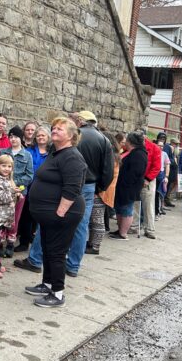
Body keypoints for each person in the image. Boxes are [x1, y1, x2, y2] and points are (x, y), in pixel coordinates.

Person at [24, 117, 87, 308]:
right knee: (47, 248)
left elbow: (73, 188)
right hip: (49, 215)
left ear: (71, 135)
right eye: (54, 128)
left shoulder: (72, 157)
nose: (55, 130)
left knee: (56, 252)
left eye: (59, 129)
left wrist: (60, 213)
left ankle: (58, 294)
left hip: (63, 214)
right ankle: (48, 284)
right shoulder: (56, 152)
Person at [65, 111, 114, 276]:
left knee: (59, 220)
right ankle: (72, 266)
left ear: (81, 121)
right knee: (81, 225)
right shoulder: (104, 140)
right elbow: (108, 171)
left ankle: (51, 258)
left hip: (69, 183)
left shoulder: (75, 135)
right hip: (89, 186)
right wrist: (100, 188)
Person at [14, 125, 50, 270]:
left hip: (44, 190)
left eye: (43, 135)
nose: (40, 137)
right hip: (28, 187)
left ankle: (34, 242)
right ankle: (24, 241)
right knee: (26, 216)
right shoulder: (29, 151)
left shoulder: (51, 153)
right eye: (38, 135)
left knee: (39, 218)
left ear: (48, 138)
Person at [0, 126, 33, 257]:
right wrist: (6, 184)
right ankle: (0, 242)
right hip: (3, 191)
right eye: (11, 137)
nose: (13, 139)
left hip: (19, 193)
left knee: (14, 219)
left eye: (16, 137)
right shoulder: (3, 153)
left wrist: (15, 185)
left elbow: (29, 175)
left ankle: (11, 243)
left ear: (21, 138)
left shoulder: (27, 155)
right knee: (1, 217)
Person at [109, 132, 148, 240]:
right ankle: (120, 230)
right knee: (120, 208)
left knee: (126, 209)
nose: (124, 141)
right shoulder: (132, 152)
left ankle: (123, 233)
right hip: (123, 186)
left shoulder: (139, 154)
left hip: (129, 187)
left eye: (126, 139)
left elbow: (135, 172)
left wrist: (125, 183)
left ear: (130, 142)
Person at [87, 132, 120, 254]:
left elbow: (106, 175)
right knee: (95, 220)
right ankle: (91, 243)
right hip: (104, 191)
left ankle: (95, 246)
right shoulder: (114, 155)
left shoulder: (111, 156)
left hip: (102, 192)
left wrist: (99, 189)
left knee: (97, 220)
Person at [130, 131, 161, 238]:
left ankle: (149, 228)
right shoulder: (133, 146)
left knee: (148, 205)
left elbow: (156, 167)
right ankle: (134, 226)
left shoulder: (154, 148)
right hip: (136, 178)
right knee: (135, 204)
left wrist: (147, 179)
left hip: (148, 180)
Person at [154, 135, 170, 217]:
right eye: (159, 145)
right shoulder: (152, 152)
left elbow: (167, 165)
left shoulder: (164, 154)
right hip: (153, 174)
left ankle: (157, 211)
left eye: (162, 146)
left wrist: (166, 176)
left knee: (158, 193)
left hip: (160, 174)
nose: (160, 147)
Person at [164, 138, 180, 207]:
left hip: (172, 172)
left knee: (169, 187)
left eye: (177, 144)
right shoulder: (168, 147)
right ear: (172, 143)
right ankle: (165, 201)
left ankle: (166, 200)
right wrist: (174, 161)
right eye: (175, 144)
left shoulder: (174, 150)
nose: (176, 146)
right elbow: (168, 160)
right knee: (166, 187)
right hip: (169, 172)